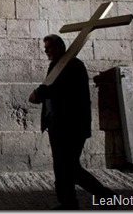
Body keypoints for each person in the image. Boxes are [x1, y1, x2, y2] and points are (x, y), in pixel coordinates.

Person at [29, 34, 115, 210]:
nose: (46, 52)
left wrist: (39, 93)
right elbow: (50, 89)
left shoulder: (74, 66)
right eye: (45, 49)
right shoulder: (55, 65)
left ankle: (106, 197)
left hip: (72, 126)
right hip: (56, 125)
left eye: (49, 48)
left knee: (70, 167)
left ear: (60, 46)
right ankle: (68, 204)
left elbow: (60, 90)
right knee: (60, 168)